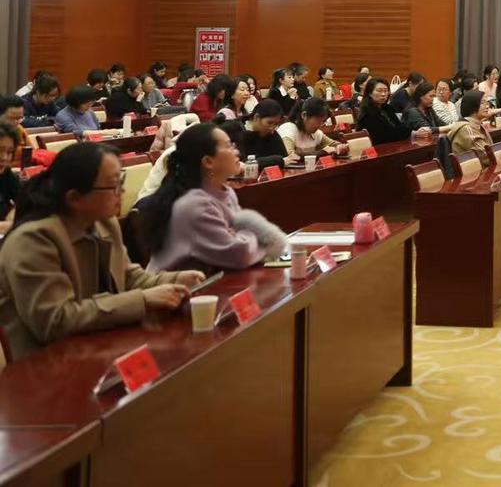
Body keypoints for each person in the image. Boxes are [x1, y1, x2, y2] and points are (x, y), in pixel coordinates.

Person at [0, 143, 202, 358]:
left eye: (121, 181)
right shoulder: (33, 240)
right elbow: (55, 321)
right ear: (74, 198)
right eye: (113, 185)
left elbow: (129, 278)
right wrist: (142, 300)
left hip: (100, 345)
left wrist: (177, 280)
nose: (122, 192)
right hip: (46, 363)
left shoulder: (104, 223)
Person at [143, 124, 288, 272]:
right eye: (228, 146)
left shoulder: (226, 192)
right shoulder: (195, 204)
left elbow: (237, 246)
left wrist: (239, 237)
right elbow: (239, 255)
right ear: (208, 162)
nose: (237, 151)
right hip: (172, 283)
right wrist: (255, 239)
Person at [236, 102, 293, 170]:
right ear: (256, 117)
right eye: (269, 123)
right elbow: (246, 163)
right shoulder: (240, 132)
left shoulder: (273, 134)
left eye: (275, 124)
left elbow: (286, 159)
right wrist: (278, 160)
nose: (272, 128)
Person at [445, 90, 494, 160]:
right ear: (472, 105)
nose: (487, 106)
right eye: (482, 103)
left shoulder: (476, 125)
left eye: (487, 103)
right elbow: (487, 157)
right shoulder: (466, 129)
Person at [358, 79, 409, 146]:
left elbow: (400, 127)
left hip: (395, 145)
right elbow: (383, 137)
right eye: (379, 91)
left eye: (386, 91)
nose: (383, 94)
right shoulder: (367, 113)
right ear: (370, 93)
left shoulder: (388, 108)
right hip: (380, 148)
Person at [0, 122, 24, 234]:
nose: (4, 157)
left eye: (9, 152)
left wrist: (14, 213)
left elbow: (23, 203)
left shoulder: (6, 174)